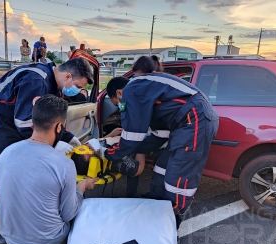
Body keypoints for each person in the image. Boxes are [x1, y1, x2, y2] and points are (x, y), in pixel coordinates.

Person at [87, 61, 219, 227]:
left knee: (177, 179)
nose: (120, 108)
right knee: (162, 166)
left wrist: (107, 152)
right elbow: (159, 135)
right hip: (186, 123)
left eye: (117, 103)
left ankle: (170, 226)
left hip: (194, 121)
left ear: (120, 93)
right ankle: (156, 202)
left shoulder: (132, 91)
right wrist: (134, 147)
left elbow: (132, 135)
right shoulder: (145, 90)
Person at [0, 57, 93, 244]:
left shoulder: (53, 84)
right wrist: (53, 146)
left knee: (22, 176)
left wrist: (69, 138)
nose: (77, 91)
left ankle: (18, 221)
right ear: (68, 76)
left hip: (16, 128)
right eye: (78, 86)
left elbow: (49, 121)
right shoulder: (36, 80)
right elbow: (25, 123)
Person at [0, 95, 98, 244]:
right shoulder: (64, 165)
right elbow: (68, 214)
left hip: (10, 238)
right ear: (59, 127)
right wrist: (82, 186)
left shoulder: (5, 153)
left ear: (34, 122)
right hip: (47, 243)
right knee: (78, 202)